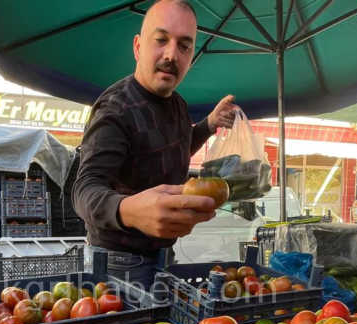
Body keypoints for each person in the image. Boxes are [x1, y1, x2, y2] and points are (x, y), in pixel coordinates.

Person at [71, 0, 238, 289]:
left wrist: (208, 125)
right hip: (118, 263)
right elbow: (84, 190)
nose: (172, 54)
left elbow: (173, 151)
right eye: (161, 40)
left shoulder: (178, 105)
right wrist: (129, 210)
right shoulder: (115, 108)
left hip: (163, 256)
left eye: (184, 46)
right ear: (138, 47)